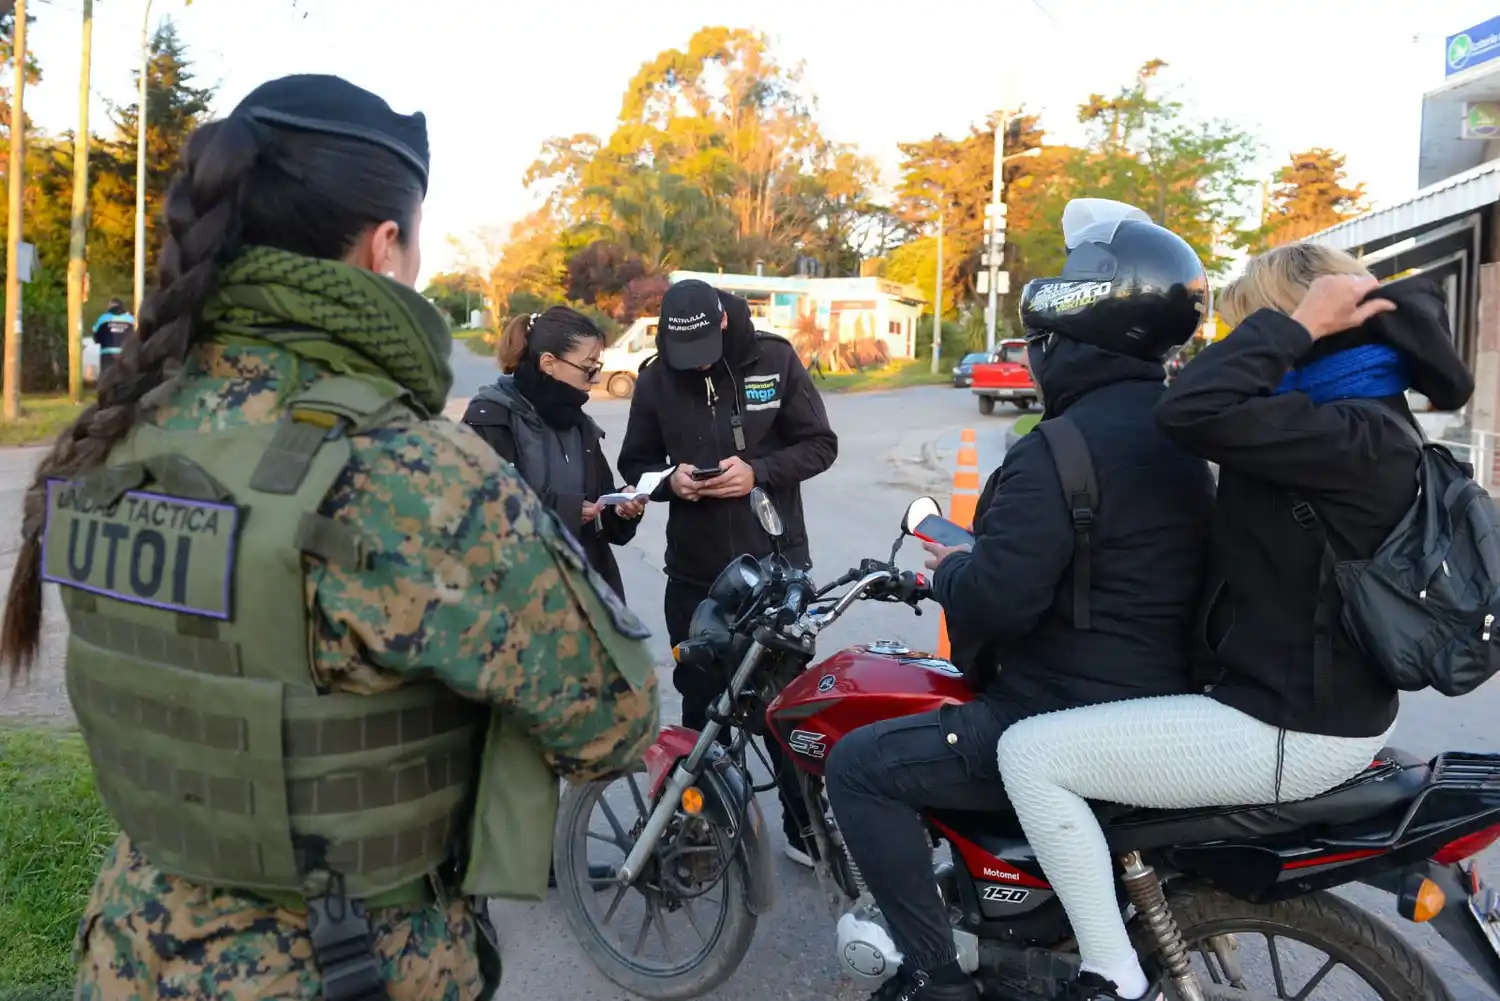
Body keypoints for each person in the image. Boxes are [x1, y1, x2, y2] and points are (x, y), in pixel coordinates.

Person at [0, 74, 658, 1001]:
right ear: (385, 246)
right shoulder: (409, 473)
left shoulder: (117, 430)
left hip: (130, 949)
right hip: (345, 963)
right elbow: (614, 723)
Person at [996, 242, 1474, 1001]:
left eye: (1246, 329)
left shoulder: (1346, 435)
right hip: (1305, 702)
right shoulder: (1348, 418)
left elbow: (1187, 407)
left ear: (1303, 327)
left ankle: (1110, 972)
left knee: (1029, 755)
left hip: (1288, 723)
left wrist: (1296, 326)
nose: (1233, 349)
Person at [823, 200, 1217, 1001]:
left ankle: (932, 978)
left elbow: (999, 601)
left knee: (859, 764)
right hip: (1165, 701)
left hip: (1064, 710)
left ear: (1068, 343)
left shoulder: (1056, 449)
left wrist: (944, 575)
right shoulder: (1185, 431)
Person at [617, 278, 837, 867]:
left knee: (783, 706)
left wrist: (759, 472)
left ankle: (805, 830)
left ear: (722, 323)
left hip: (777, 569)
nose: (690, 368)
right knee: (700, 707)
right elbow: (634, 463)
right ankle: (700, 833)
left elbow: (820, 445)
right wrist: (670, 482)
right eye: (678, 357)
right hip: (695, 574)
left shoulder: (774, 358)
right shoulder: (656, 377)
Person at [462, 306, 645, 602]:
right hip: (518, 607)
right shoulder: (489, 420)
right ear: (548, 363)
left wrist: (620, 509)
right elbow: (477, 519)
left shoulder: (580, 425)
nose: (596, 379)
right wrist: (566, 510)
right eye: (588, 368)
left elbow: (602, 510)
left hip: (587, 603)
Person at [92, 298, 135, 376]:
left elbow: (95, 337)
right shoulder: (131, 319)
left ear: (110, 306)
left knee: (106, 378)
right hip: (125, 353)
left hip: (108, 354)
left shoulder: (103, 318)